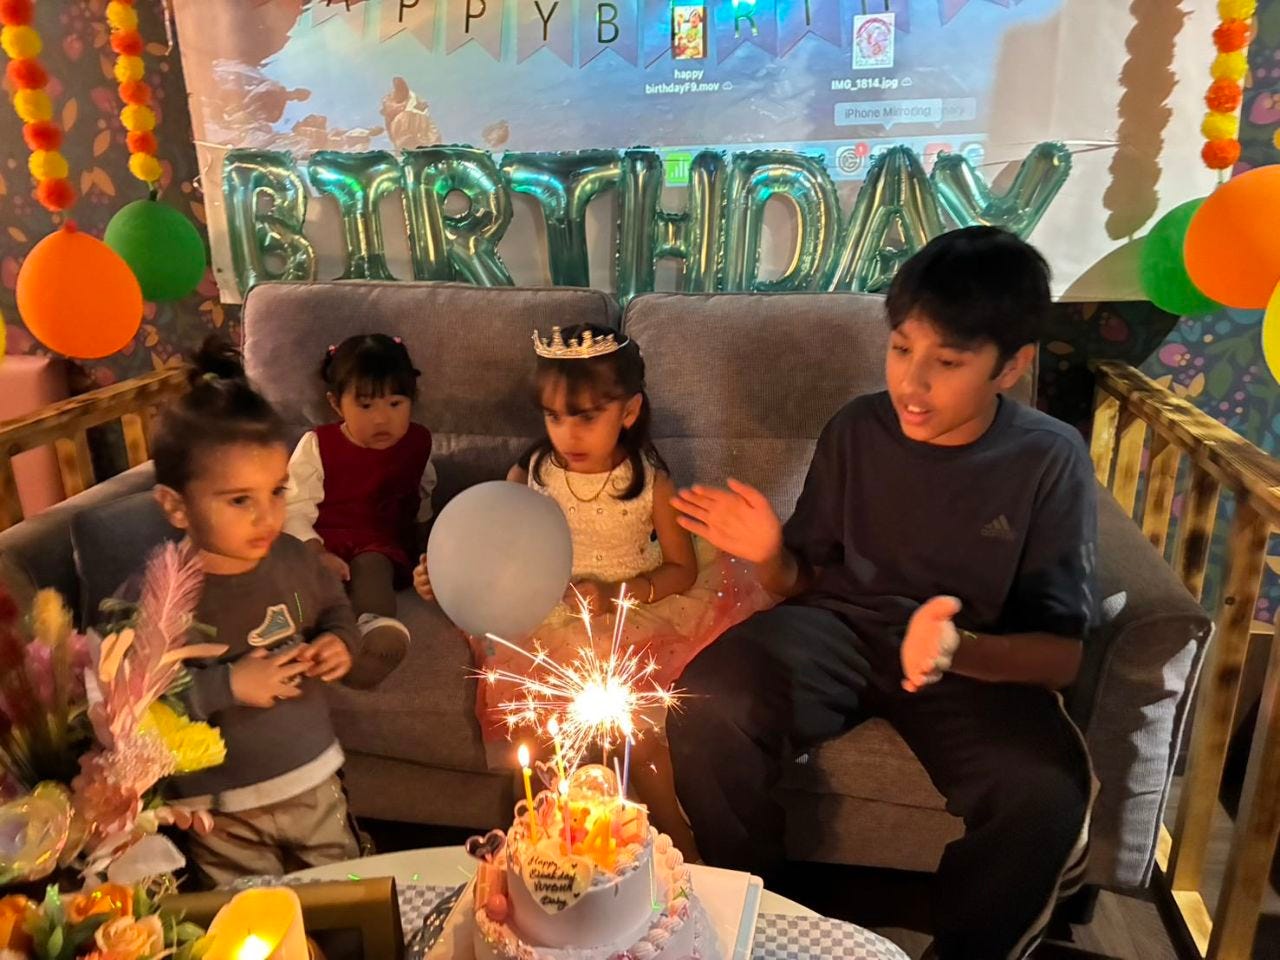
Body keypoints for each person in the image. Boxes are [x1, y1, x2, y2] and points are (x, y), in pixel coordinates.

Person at [669, 227, 1097, 959]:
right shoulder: (858, 428)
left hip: (968, 658)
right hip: (838, 626)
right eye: (901, 349)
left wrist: (957, 648)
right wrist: (770, 556)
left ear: (1011, 366)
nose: (911, 384)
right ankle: (762, 920)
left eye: (947, 362)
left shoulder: (1048, 459)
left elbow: (1060, 656)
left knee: (1045, 795)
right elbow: (803, 579)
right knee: (706, 703)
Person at [414, 323, 772, 858]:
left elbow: (682, 570)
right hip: (549, 619)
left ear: (628, 411)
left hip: (634, 614)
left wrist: (622, 592)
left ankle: (681, 850)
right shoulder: (531, 474)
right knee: (537, 739)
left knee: (641, 737)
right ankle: (536, 848)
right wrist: (442, 580)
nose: (568, 434)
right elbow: (493, 549)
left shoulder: (650, 481)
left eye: (586, 417)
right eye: (554, 417)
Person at [152, 339, 362, 886]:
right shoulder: (161, 593)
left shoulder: (294, 558)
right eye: (240, 500)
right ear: (176, 505)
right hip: (220, 811)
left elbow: (335, 609)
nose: (267, 516)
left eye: (277, 491)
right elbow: (140, 703)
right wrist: (229, 685)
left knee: (345, 901)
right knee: (251, 916)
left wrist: (340, 642)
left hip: (311, 779)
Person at [285, 333, 436, 689]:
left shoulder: (418, 442)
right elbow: (293, 506)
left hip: (381, 545)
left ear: (412, 400)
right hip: (323, 542)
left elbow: (423, 498)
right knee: (305, 581)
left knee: (373, 566)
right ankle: (299, 634)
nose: (382, 418)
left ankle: (368, 633)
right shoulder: (318, 444)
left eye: (395, 403)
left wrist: (427, 547)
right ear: (336, 404)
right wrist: (316, 552)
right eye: (366, 406)